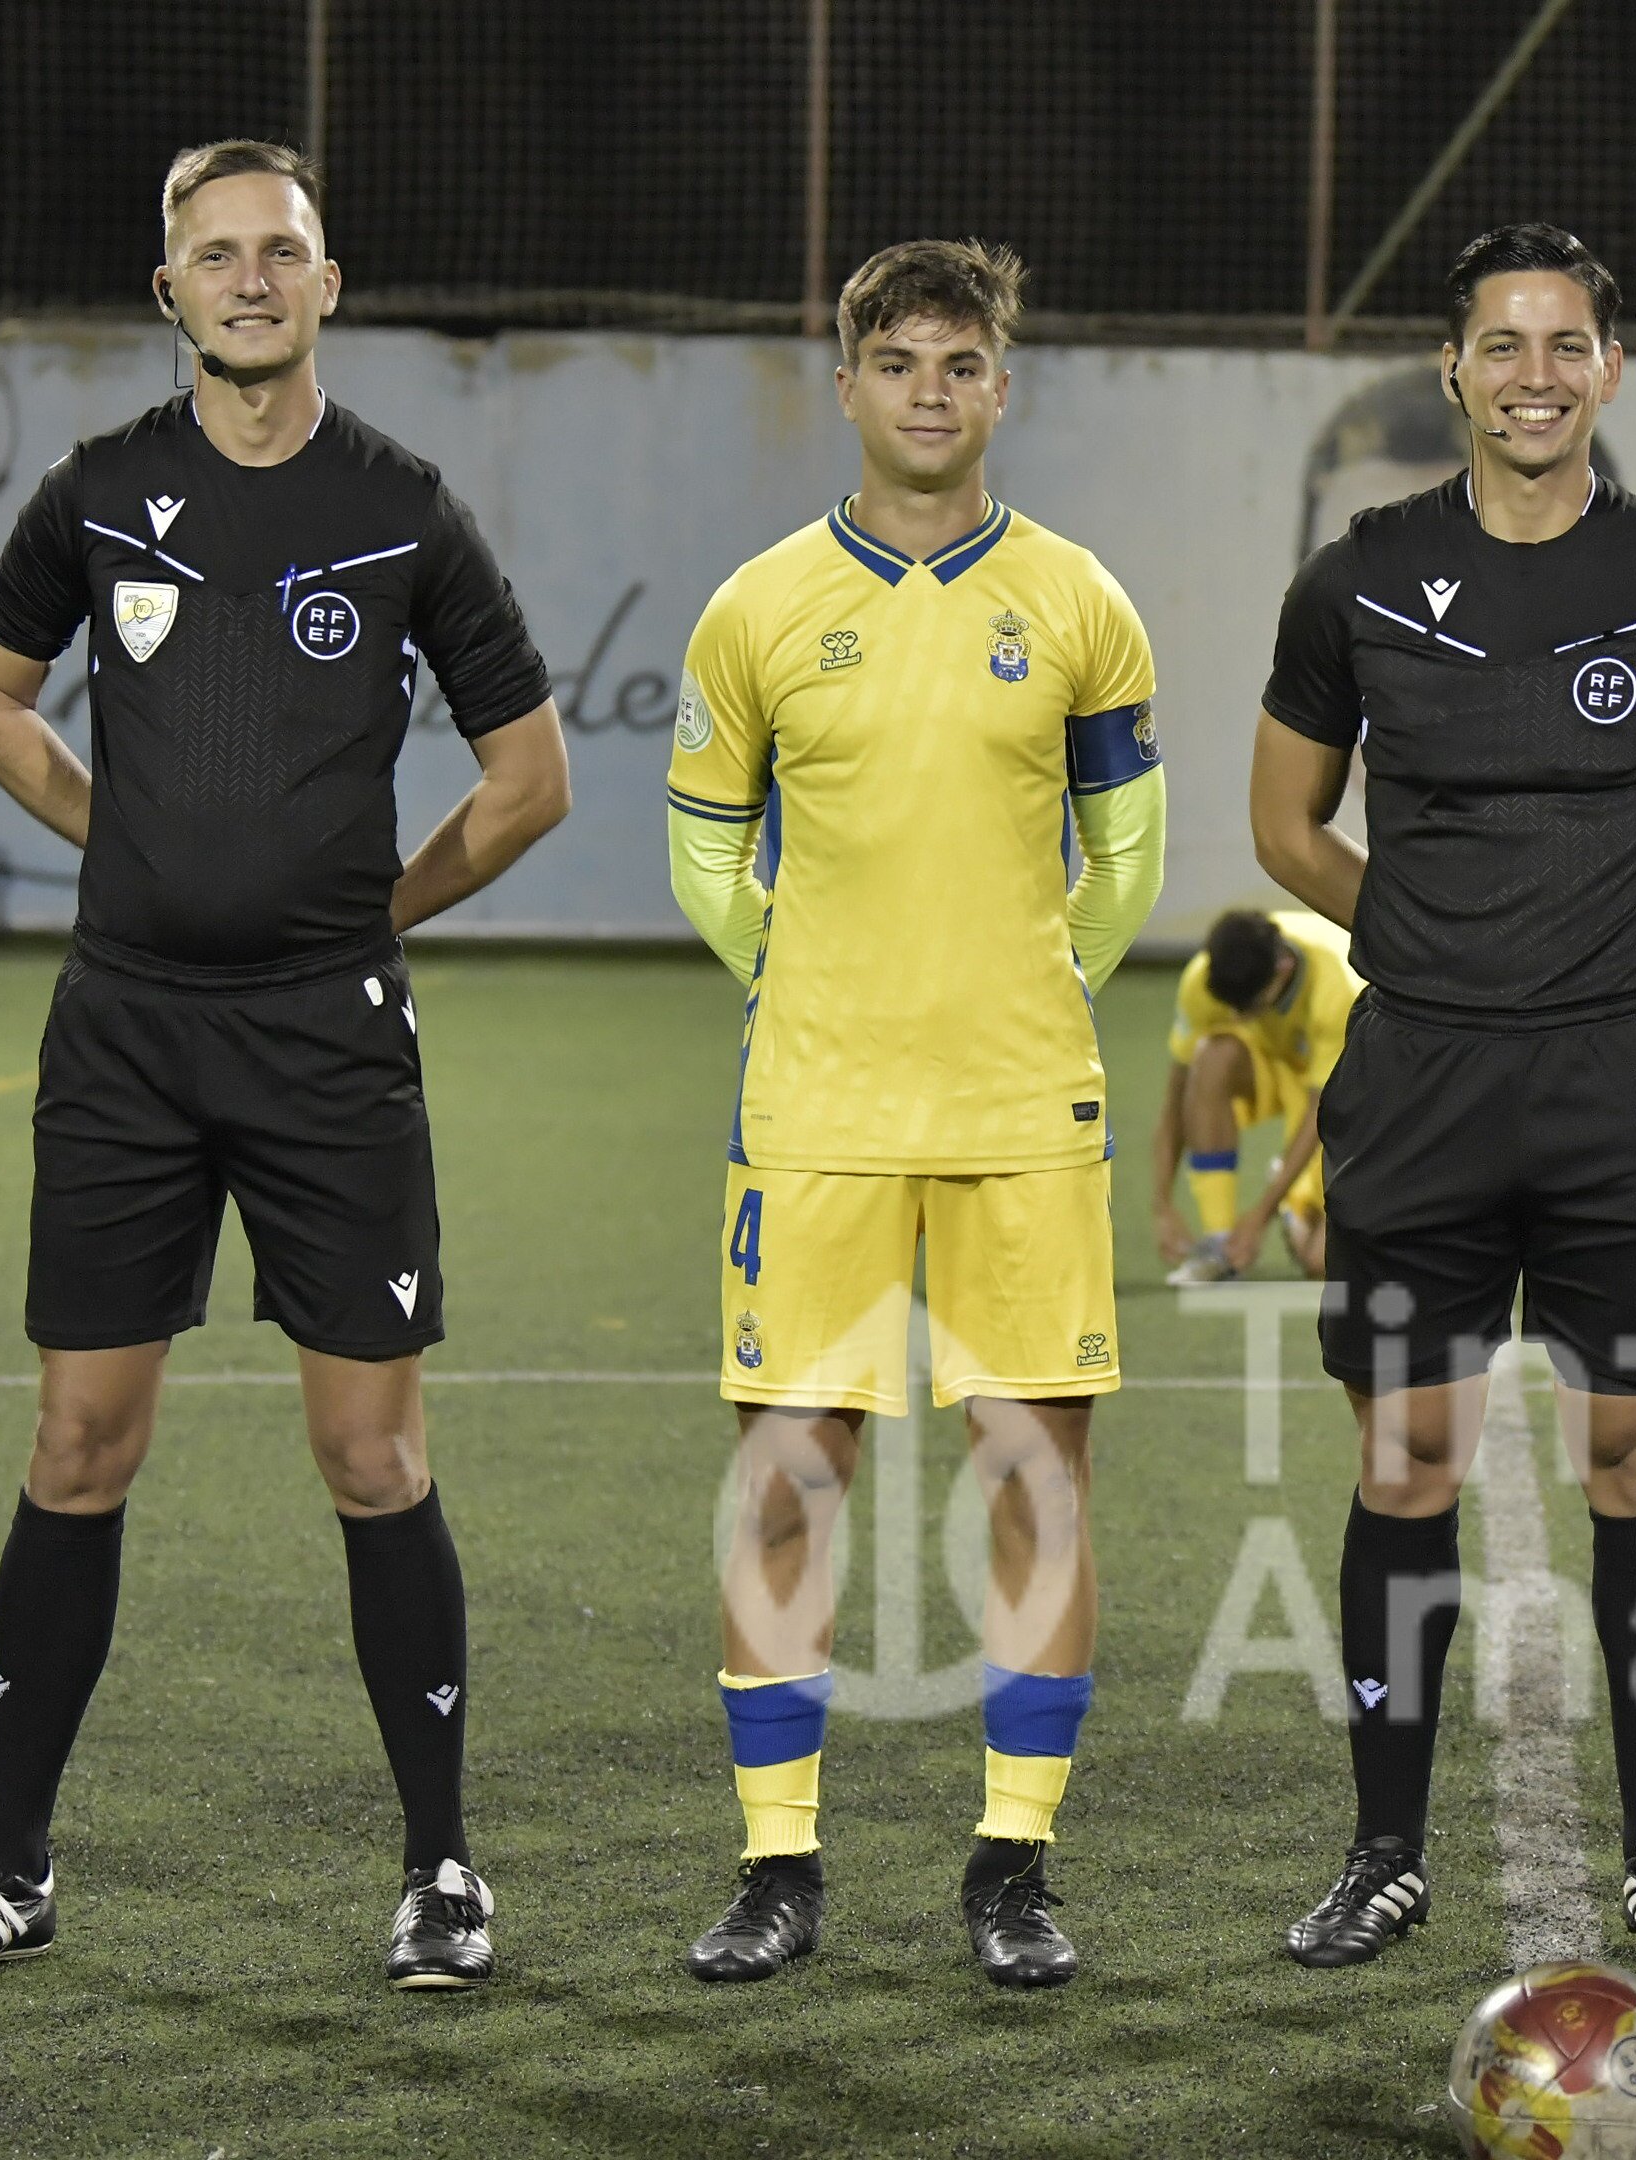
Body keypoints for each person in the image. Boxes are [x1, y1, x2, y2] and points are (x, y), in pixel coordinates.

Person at [0, 139, 572, 1991]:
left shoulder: (405, 509)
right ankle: (9, 1862)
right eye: (216, 255)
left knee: (371, 1453)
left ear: (331, 284)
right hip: (124, 1036)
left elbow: (531, 782)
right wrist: (114, 835)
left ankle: (439, 1870)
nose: (251, 278)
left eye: (284, 251)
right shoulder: (98, 495)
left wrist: (380, 913)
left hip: (326, 1043)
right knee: (79, 1444)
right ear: (167, 288)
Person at [1252, 223, 1636, 1980]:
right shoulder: (1358, 579)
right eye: (1505, 346)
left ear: (1609, 370)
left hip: (1619, 1082)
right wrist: (1420, 935)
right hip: (1417, 1079)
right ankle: (1381, 1853)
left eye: (1568, 345)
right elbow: (1285, 825)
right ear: (1456, 370)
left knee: (1632, 1461)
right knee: (1406, 1462)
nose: (1537, 375)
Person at [662, 238, 1163, 1992]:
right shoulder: (759, 608)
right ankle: (776, 1864)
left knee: (1035, 1483)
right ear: (851, 383)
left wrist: (1037, 990)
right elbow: (707, 848)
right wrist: (797, 985)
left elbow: (1126, 856)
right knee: (790, 1484)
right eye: (901, 363)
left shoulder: (1084, 601)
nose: (931, 392)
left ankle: (1012, 1863)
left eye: (962, 363)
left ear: (998, 389)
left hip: (1028, 1108)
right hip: (814, 1113)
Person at [1155, 905, 1359, 1286]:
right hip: (1276, 1062)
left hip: (1351, 1088)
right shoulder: (1206, 976)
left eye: (1249, 1008)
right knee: (1212, 1057)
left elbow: (1321, 1110)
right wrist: (1162, 1205)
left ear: (1283, 968)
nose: (1238, 1016)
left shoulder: (1337, 988)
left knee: (1320, 1261)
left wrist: (1260, 1215)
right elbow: (1176, 1101)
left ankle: (1295, 1205)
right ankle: (1221, 1245)